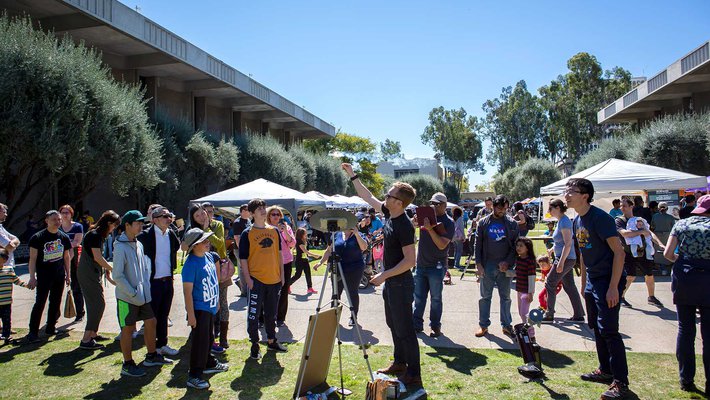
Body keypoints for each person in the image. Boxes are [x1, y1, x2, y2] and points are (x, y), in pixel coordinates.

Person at [342, 163, 421, 387]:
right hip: (391, 284)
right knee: (393, 324)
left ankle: (414, 374)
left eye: (390, 194)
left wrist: (384, 275)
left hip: (401, 284)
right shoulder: (389, 213)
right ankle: (400, 362)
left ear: (399, 202)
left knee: (405, 329)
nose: (385, 196)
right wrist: (352, 175)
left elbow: (410, 261)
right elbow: (366, 195)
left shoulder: (404, 225)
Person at [565, 178, 630, 400]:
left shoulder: (600, 219)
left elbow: (619, 252)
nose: (567, 194)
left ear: (585, 196)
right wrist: (584, 285)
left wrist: (614, 287)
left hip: (608, 279)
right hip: (593, 280)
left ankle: (621, 384)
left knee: (610, 330)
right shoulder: (577, 220)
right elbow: (582, 254)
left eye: (571, 191)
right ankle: (605, 371)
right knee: (596, 327)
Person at [113, 210, 172, 377]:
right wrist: (132, 293)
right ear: (127, 225)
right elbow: (118, 275)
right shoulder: (120, 246)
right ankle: (127, 363)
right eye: (137, 223)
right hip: (127, 298)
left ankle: (151, 355)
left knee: (151, 321)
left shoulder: (138, 243)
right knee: (128, 329)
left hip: (143, 296)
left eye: (141, 222)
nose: (141, 226)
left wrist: (144, 290)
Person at [664, 194, 710, 395]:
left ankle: (686, 378)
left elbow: (667, 254)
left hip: (685, 279)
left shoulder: (682, 224)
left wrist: (681, 262)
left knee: (686, 330)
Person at [239, 198, 287, 360]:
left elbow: (279, 254)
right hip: (256, 280)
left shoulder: (274, 231)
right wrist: (248, 280)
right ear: (252, 213)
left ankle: (272, 341)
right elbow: (243, 259)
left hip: (274, 280)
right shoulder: (248, 233)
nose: (262, 210)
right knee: (253, 314)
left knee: (271, 314)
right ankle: (254, 344)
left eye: (263, 207)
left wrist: (282, 275)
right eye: (258, 208)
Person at [182, 228, 229, 390]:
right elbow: (187, 292)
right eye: (203, 241)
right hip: (199, 309)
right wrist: (191, 315)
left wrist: (216, 302)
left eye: (207, 239)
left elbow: (214, 280)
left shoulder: (208, 257)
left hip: (210, 306)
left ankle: (208, 362)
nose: (208, 242)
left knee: (209, 338)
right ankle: (194, 375)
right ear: (194, 246)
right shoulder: (190, 265)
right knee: (199, 342)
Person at [136, 206, 181, 357]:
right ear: (154, 220)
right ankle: (152, 349)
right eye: (164, 216)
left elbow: (177, 247)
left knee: (164, 314)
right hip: (152, 282)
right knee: (152, 317)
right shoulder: (145, 236)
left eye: (170, 216)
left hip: (167, 280)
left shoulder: (171, 234)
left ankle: (162, 344)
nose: (168, 219)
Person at [474, 195, 519, 339]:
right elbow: (477, 245)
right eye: (500, 208)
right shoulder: (483, 223)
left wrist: (508, 262)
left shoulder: (512, 224)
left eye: (506, 208)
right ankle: (483, 325)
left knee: (505, 297)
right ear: (493, 206)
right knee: (485, 297)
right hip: (487, 265)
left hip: (505, 266)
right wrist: (479, 265)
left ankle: (506, 325)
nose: (503, 211)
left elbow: (515, 246)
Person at [25, 210, 72, 343]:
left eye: (59, 219)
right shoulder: (37, 238)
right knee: (40, 303)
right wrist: (32, 277)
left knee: (55, 302)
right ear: (46, 221)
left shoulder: (63, 237)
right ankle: (33, 332)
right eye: (54, 220)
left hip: (59, 275)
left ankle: (50, 327)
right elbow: (32, 259)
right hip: (44, 276)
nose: (57, 222)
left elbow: (66, 257)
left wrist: (68, 275)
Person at [412, 192, 455, 338]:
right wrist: (414, 223)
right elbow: (413, 230)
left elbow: (442, 245)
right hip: (421, 264)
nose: (434, 206)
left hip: (437, 266)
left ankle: (435, 326)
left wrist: (430, 229)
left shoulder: (449, 222)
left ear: (444, 205)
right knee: (418, 297)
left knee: (435, 298)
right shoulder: (426, 218)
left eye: (437, 204)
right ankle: (416, 324)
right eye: (432, 203)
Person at [77, 210, 120, 350]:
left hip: (93, 272)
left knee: (98, 304)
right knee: (97, 305)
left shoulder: (97, 235)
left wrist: (106, 270)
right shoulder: (95, 235)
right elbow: (98, 257)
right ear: (108, 223)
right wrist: (113, 269)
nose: (114, 229)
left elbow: (98, 258)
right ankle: (86, 339)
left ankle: (93, 334)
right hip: (87, 273)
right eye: (114, 225)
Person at [615, 198, 665, 308]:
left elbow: (650, 233)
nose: (622, 208)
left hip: (642, 251)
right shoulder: (619, 220)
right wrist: (641, 232)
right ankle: (621, 297)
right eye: (621, 206)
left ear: (631, 206)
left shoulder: (639, 220)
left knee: (649, 275)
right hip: (628, 252)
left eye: (624, 205)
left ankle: (651, 297)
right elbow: (625, 234)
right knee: (630, 276)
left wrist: (660, 244)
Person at [315, 225, 368, 326]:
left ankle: (353, 316)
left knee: (352, 293)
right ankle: (333, 315)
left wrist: (356, 233)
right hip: (338, 269)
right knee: (336, 292)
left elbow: (364, 247)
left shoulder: (359, 235)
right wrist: (321, 262)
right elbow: (329, 250)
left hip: (354, 269)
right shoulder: (336, 234)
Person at [542, 199, 585, 322]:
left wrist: (560, 262)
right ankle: (579, 315)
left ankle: (549, 314)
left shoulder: (565, 222)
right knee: (569, 286)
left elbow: (568, 244)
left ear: (557, 208)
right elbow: (559, 242)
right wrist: (552, 250)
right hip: (564, 258)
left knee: (550, 282)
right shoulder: (561, 221)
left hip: (565, 259)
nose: (549, 211)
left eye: (550, 208)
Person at [266, 206, 296, 327]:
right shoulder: (265, 228)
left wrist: (284, 232)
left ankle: (280, 318)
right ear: (269, 216)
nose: (276, 216)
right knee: (269, 291)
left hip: (286, 261)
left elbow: (292, 243)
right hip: (270, 263)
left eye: (278, 214)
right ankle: (266, 317)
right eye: (273, 214)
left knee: (284, 290)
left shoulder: (286, 228)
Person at [59, 205, 85, 323]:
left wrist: (66, 246)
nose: (65, 214)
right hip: (58, 259)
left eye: (67, 212)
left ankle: (80, 313)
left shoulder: (77, 226)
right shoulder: (57, 227)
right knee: (56, 289)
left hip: (74, 260)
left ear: (71, 214)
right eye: (63, 212)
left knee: (76, 287)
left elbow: (77, 242)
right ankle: (54, 316)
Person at [0, 248, 31, 343]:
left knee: (6, 320)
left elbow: (17, 280)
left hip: (6, 301)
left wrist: (27, 285)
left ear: (5, 259)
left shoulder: (9, 270)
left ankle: (6, 336)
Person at [514, 237, 537, 341]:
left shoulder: (530, 261)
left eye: (521, 246)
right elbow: (516, 273)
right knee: (521, 313)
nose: (518, 248)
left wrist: (530, 293)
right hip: (519, 290)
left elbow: (532, 277)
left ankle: (531, 335)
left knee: (524, 314)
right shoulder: (519, 259)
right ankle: (526, 332)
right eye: (517, 245)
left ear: (527, 248)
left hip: (526, 291)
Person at [290, 228, 321, 294]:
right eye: (305, 233)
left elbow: (305, 253)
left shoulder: (304, 240)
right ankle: (287, 285)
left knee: (308, 274)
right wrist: (314, 255)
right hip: (299, 260)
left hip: (305, 260)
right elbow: (305, 251)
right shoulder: (298, 241)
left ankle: (310, 288)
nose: (306, 234)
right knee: (298, 275)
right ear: (301, 234)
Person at [0, 203, 20, 269]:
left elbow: (17, 239)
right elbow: (10, 247)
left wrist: (13, 243)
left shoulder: (1, 227)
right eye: (4, 212)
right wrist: (13, 244)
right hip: (3, 269)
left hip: (6, 268)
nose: (6, 214)